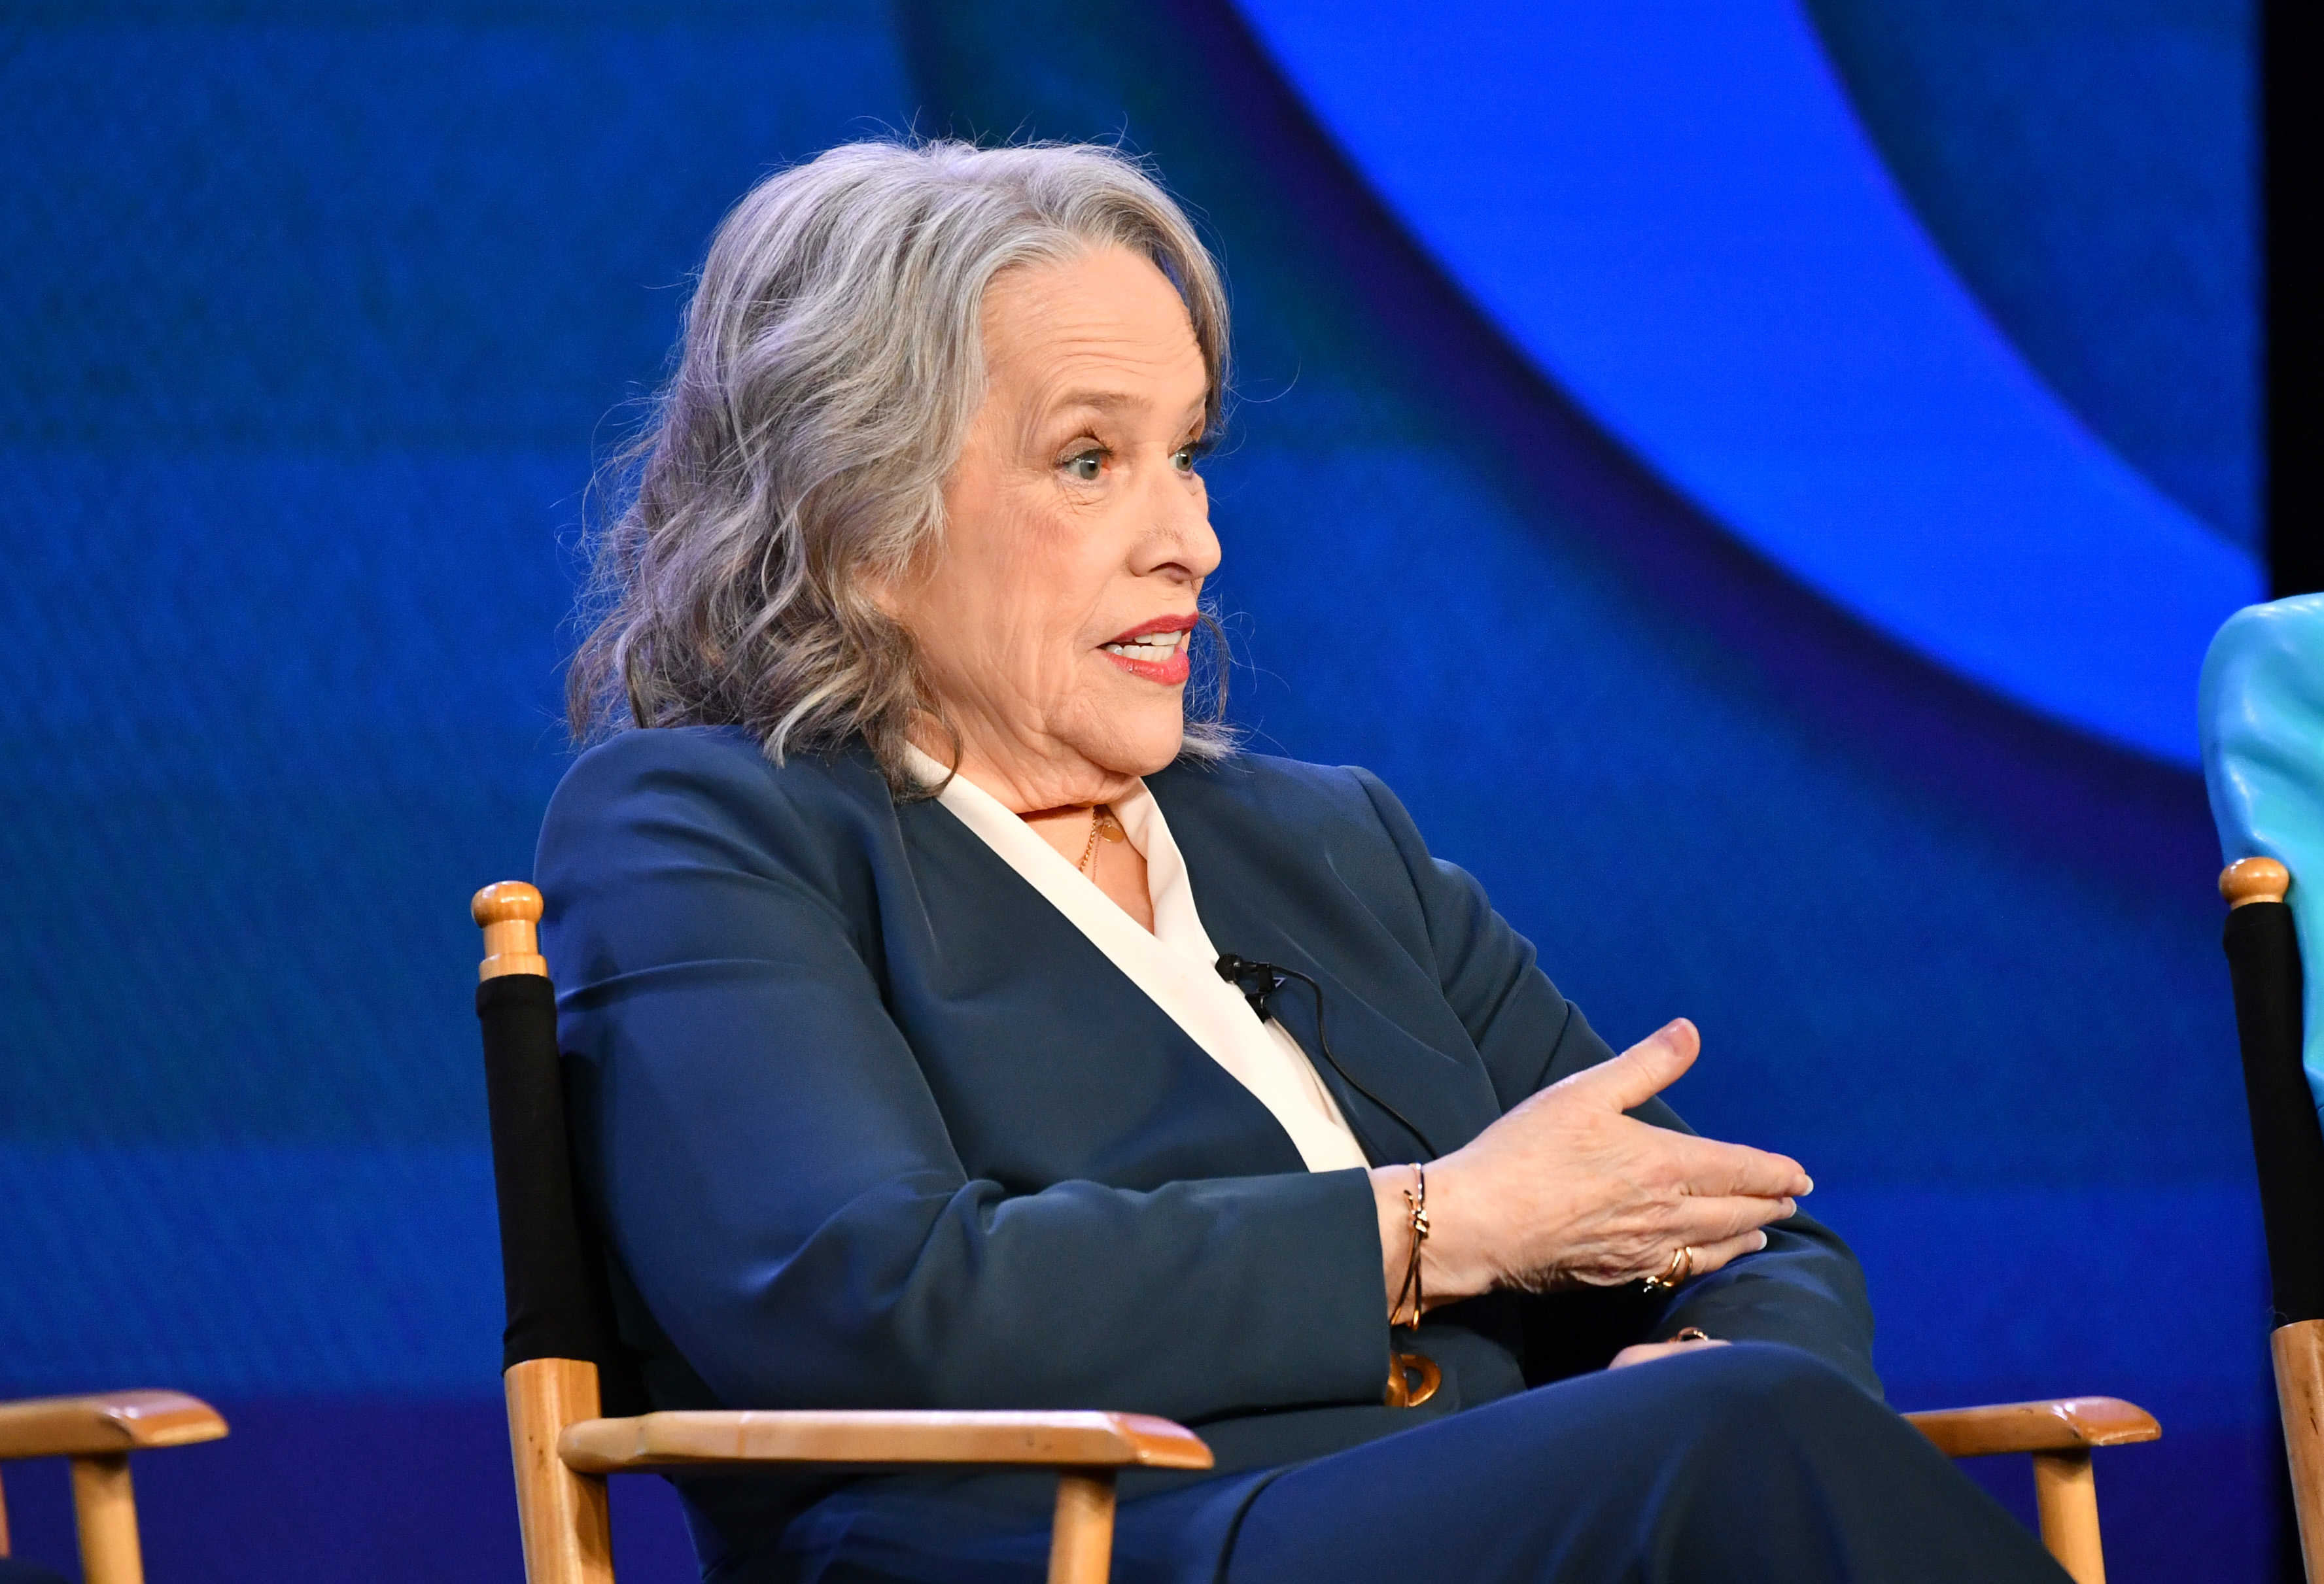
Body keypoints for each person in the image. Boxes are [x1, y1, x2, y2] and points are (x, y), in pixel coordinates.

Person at [538, 139, 2066, 1583]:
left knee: (1735, 1420)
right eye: (1087, 459)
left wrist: (1716, 1351)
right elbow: (861, 1292)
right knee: (1728, 1452)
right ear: (859, 519)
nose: (1189, 538)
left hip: (1513, 1519)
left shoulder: (1331, 842)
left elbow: (1738, 1227)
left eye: (1185, 456)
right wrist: (1434, 1227)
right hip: (1112, 1547)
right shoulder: (706, 829)